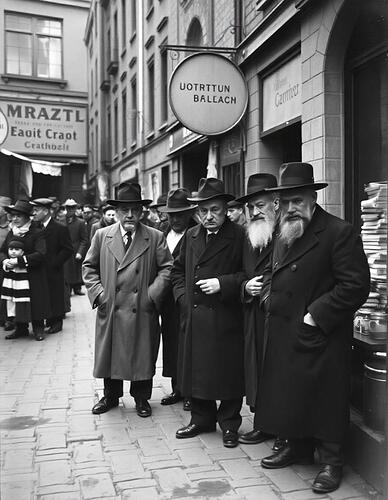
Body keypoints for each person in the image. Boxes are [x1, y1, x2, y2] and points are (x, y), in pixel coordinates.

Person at [255, 163, 370, 494]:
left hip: (320, 334)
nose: (292, 208)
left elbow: (357, 285)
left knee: (326, 399)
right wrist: (267, 298)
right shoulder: (283, 230)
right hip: (283, 330)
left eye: (298, 200)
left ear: (313, 197)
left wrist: (316, 315)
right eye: (286, 201)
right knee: (291, 394)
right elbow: (271, 274)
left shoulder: (338, 231)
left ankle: (332, 462)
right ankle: (297, 446)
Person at [82, 182, 173, 417]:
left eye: (134, 210)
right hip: (111, 306)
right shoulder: (102, 236)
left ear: (142, 211)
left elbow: (167, 269)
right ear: (117, 212)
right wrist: (99, 294)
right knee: (110, 353)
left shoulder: (155, 236)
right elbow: (89, 267)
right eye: (124, 210)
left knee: (142, 352)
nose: (130, 215)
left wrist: (152, 294)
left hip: (141, 307)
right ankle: (110, 396)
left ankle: (141, 398)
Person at [172, 178, 245, 448]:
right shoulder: (191, 236)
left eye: (214, 210)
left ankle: (229, 424)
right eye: (203, 211)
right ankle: (201, 419)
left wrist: (222, 284)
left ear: (225, 209)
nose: (209, 216)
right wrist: (182, 297)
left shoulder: (239, 236)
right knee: (197, 370)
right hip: (194, 315)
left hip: (225, 315)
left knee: (227, 372)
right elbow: (177, 271)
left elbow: (250, 276)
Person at [230, 174, 285, 449]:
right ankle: (263, 424)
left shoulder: (288, 231)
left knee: (278, 373)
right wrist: (244, 286)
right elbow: (240, 272)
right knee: (256, 372)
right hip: (254, 316)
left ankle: (282, 431)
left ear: (276, 202)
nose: (255, 212)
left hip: (278, 316)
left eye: (260, 205)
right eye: (251, 207)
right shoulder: (248, 235)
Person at [157, 188, 197, 411]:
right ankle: (177, 388)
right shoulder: (162, 233)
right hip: (167, 301)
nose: (175, 219)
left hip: (188, 298)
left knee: (188, 345)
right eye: (171, 215)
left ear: (189, 213)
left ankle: (190, 391)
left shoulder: (195, 232)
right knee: (171, 343)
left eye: (180, 214)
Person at [0, 200, 50, 341]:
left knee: (35, 301)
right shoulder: (12, 232)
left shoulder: (37, 232)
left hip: (33, 274)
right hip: (15, 276)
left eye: (18, 216)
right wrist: (5, 260)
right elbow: (2, 251)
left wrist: (18, 261)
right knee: (17, 300)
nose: (14, 219)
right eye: (13, 216)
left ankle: (38, 328)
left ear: (27, 217)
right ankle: (20, 328)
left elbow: (41, 254)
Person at [31, 198, 73, 334]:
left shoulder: (60, 228)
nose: (34, 213)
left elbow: (67, 249)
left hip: (53, 268)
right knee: (42, 294)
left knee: (55, 294)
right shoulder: (34, 227)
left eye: (37, 210)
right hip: (38, 268)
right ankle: (44, 320)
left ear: (45, 211)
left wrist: (55, 263)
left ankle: (56, 322)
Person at [1, 237, 31, 331]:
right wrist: (6, 263)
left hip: (21, 287)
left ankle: (22, 324)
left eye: (16, 250)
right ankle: (11, 321)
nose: (13, 252)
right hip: (10, 288)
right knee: (10, 304)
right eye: (11, 249)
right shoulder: (7, 261)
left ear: (22, 252)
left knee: (21, 305)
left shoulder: (23, 261)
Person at [63, 199, 88, 296]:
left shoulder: (80, 222)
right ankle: (67, 289)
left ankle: (77, 288)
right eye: (69, 208)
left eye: (73, 208)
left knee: (76, 269)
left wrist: (80, 252)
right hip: (64, 250)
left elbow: (84, 239)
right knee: (66, 270)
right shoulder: (61, 221)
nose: (71, 210)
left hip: (75, 250)